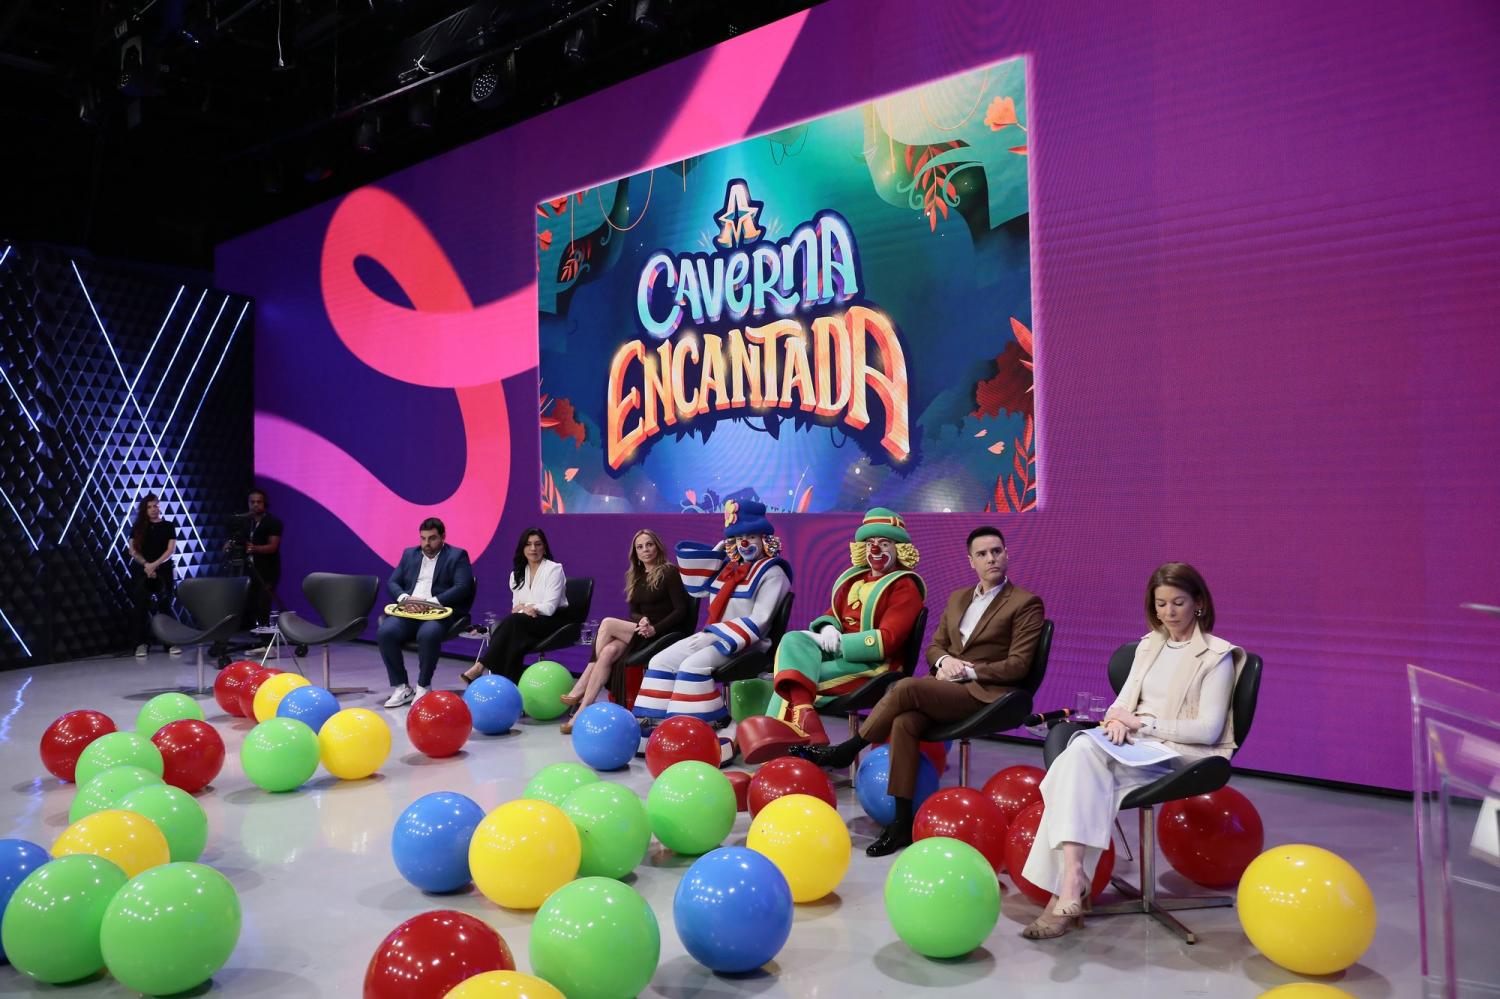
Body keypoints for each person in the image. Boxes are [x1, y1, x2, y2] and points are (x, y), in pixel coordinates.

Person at [1018, 562, 1245, 940]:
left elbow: (1208, 730)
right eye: (1161, 604)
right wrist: (1116, 721)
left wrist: (1141, 724)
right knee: (1080, 755)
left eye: (1178, 603)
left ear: (1199, 603)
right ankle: (1072, 880)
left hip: (1181, 754)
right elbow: (1121, 703)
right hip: (1136, 747)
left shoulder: (1216, 656)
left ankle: (1067, 892)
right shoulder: (1149, 645)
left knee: (1077, 766)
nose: (1169, 613)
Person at [792, 526, 1045, 856]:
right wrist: (943, 662)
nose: (991, 559)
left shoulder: (1026, 603)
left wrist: (965, 669)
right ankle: (901, 824)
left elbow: (1018, 666)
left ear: (1007, 554)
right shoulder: (958, 598)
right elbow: (935, 647)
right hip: (947, 687)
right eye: (982, 554)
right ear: (971, 561)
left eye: (996, 551)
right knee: (904, 722)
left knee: (905, 686)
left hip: (989, 694)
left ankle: (847, 750)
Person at [738, 508, 926, 763]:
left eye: (884, 543)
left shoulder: (904, 586)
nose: (875, 549)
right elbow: (833, 614)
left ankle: (782, 755)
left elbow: (887, 641)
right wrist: (828, 628)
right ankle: (804, 720)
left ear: (899, 548)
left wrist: (840, 644)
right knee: (793, 639)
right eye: (870, 543)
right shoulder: (854, 579)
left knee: (791, 681)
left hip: (874, 666)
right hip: (841, 657)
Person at [632, 499, 792, 729]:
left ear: (764, 539)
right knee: (659, 661)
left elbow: (760, 621)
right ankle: (656, 725)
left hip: (746, 644)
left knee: (691, 666)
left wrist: (716, 635)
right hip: (713, 636)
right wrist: (716, 553)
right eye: (738, 537)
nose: (744, 543)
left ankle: (703, 727)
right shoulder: (728, 568)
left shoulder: (773, 572)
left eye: (751, 537)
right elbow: (696, 589)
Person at [559, 529, 691, 734]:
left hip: (663, 633)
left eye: (649, 544)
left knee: (607, 624)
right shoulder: (635, 576)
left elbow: (681, 610)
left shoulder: (669, 572)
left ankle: (582, 683)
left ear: (657, 547)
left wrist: (655, 628)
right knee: (608, 652)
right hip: (642, 630)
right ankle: (580, 712)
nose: (645, 550)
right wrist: (642, 620)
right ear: (635, 553)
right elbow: (634, 612)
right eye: (640, 547)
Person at [378, 517, 476, 707]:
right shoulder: (410, 554)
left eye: (432, 538)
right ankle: (402, 687)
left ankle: (423, 686)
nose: (426, 544)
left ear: (443, 537)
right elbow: (393, 582)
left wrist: (430, 603)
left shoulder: (457, 556)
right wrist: (405, 598)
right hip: (410, 610)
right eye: (423, 538)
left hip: (439, 611)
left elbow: (463, 587)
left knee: (428, 634)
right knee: (385, 632)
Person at [461, 528, 567, 685]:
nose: (533, 548)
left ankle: (481, 666)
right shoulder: (516, 574)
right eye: (528, 544)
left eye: (538, 544)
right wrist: (528, 608)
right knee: (512, 637)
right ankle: (509, 686)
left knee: (514, 623)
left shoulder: (554, 569)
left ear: (544, 547)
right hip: (525, 622)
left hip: (552, 621)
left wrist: (527, 606)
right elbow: (515, 608)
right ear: (522, 548)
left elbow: (549, 608)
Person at [128, 494, 180, 657]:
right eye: (149, 507)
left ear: (159, 506)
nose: (153, 509)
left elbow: (170, 550)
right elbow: (132, 550)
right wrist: (146, 565)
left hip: (163, 570)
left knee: (165, 605)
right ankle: (141, 644)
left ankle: (170, 643)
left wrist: (154, 564)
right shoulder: (138, 527)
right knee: (141, 607)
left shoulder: (168, 526)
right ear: (145, 509)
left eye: (155, 506)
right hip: (142, 571)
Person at [243, 487, 283, 635]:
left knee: (263, 604)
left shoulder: (273, 522)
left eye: (258, 502)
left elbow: (272, 547)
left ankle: (266, 640)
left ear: (264, 503)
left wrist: (254, 548)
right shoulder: (246, 522)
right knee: (250, 603)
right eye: (252, 502)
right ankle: (255, 636)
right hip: (250, 570)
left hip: (268, 571)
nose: (255, 505)